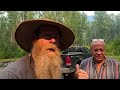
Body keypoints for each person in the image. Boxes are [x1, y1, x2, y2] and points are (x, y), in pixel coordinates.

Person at [0, 19, 75, 79]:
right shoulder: (12, 75)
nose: (53, 40)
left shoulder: (55, 69)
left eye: (56, 37)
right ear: (34, 40)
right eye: (47, 35)